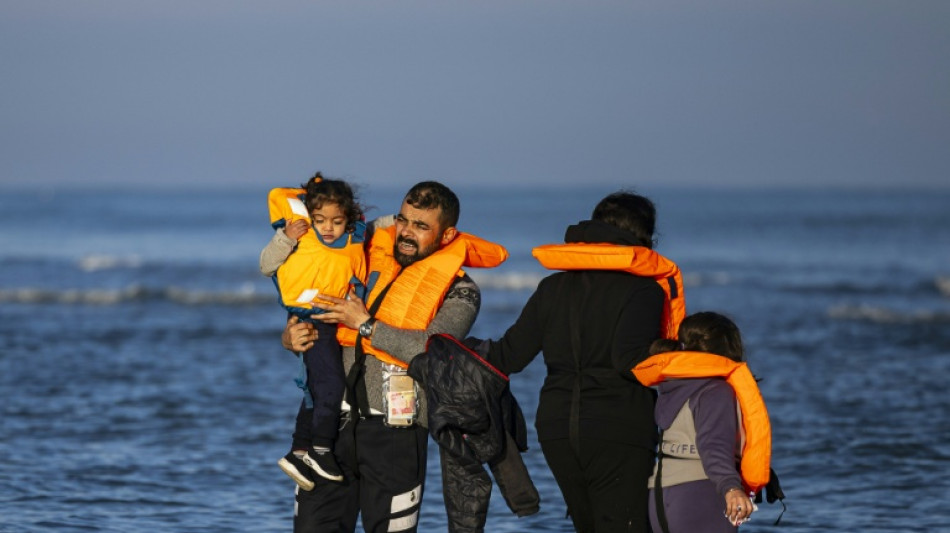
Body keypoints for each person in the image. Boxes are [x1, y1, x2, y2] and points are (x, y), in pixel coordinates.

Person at [281, 181, 508, 533]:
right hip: (330, 432)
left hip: (396, 439)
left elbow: (431, 349)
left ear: (447, 235)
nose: (406, 232)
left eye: (421, 226)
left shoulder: (462, 291)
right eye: (403, 220)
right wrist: (291, 335)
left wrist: (366, 325)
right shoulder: (363, 254)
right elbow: (309, 297)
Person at [483, 191, 686, 533]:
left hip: (556, 427)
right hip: (618, 426)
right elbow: (628, 361)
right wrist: (678, 355)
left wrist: (451, 348)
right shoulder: (644, 291)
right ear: (643, 237)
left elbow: (509, 356)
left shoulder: (551, 287)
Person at [260, 174, 368, 488]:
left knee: (316, 389)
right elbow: (266, 265)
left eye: (337, 221)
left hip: (331, 322)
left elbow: (382, 226)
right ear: (310, 216)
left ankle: (299, 452)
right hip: (311, 320)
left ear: (348, 219)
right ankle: (320, 450)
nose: (328, 228)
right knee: (330, 386)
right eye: (320, 220)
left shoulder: (354, 238)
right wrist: (286, 238)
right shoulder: (296, 234)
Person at [634, 312, 772, 533]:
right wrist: (731, 488)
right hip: (700, 495)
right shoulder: (715, 391)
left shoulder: (671, 388)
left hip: (660, 498)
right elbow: (713, 445)